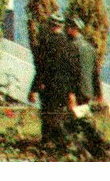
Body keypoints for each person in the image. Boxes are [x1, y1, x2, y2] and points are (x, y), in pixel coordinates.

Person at [27, 12, 75, 150]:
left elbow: (40, 68)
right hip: (64, 87)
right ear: (62, 26)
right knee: (61, 116)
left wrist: (33, 89)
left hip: (47, 88)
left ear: (50, 25)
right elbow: (72, 70)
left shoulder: (45, 43)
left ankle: (47, 145)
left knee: (48, 117)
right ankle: (62, 145)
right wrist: (72, 92)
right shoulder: (69, 44)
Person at [66, 17, 108, 156]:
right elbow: (96, 73)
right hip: (87, 91)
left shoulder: (71, 47)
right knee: (84, 119)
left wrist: (70, 94)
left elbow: (72, 72)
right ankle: (95, 147)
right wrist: (99, 93)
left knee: (74, 123)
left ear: (73, 29)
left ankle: (83, 150)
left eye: (68, 27)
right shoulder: (89, 48)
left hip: (75, 92)